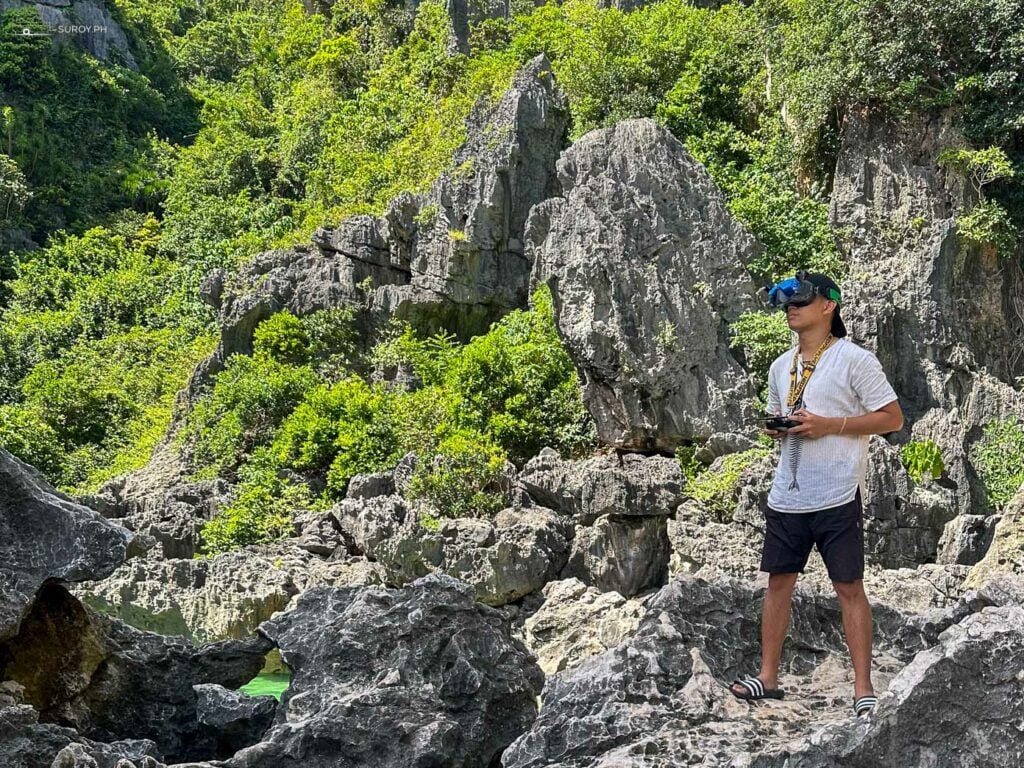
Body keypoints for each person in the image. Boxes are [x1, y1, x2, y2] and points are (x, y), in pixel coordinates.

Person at [727, 271, 903, 718]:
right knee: (778, 583)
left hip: (837, 494)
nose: (791, 309)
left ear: (829, 306)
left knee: (849, 588)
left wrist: (831, 425)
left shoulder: (854, 360)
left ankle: (863, 688)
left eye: (801, 302)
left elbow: (893, 418)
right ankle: (768, 677)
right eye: (787, 304)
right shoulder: (778, 366)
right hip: (786, 494)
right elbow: (778, 417)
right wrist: (776, 428)